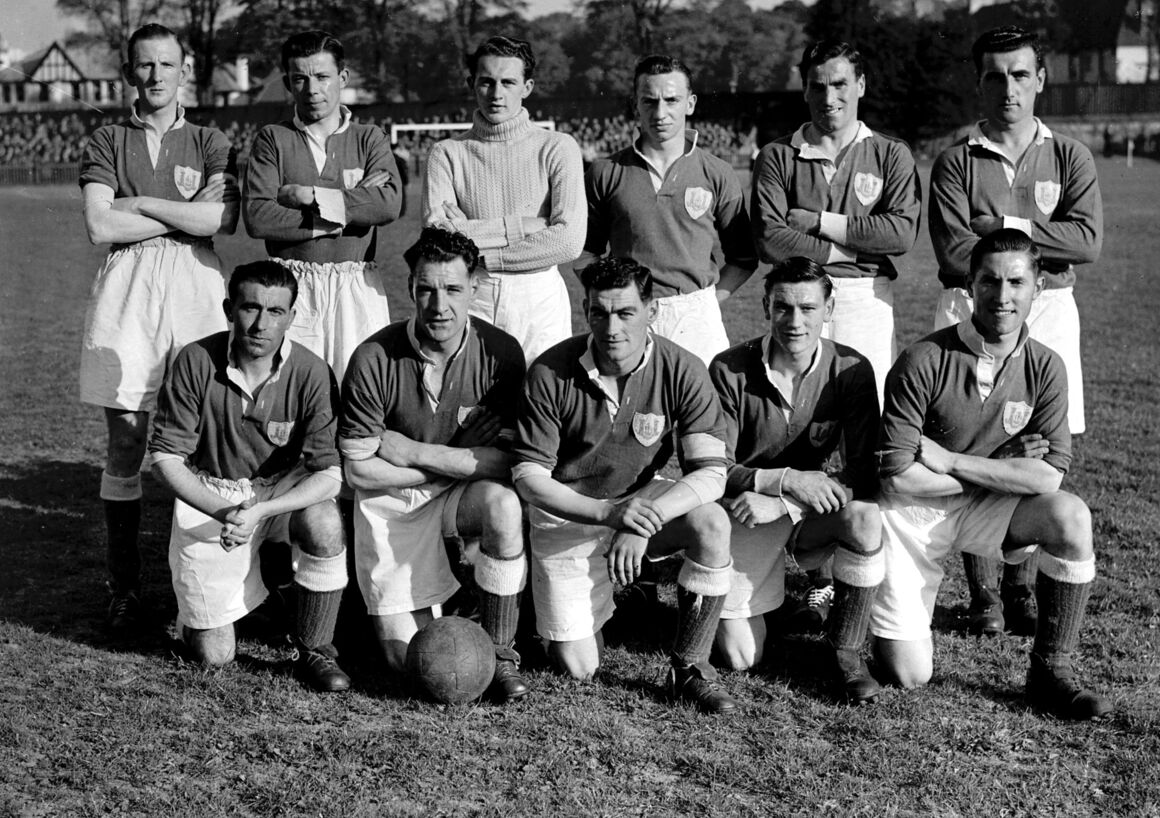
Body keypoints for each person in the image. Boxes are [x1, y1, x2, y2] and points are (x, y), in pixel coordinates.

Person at [872, 229, 1111, 721]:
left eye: (1016, 283)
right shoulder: (922, 360)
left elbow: (1047, 479)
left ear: (1037, 287)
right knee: (909, 674)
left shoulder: (1047, 366)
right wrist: (1005, 469)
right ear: (969, 285)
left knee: (1069, 517)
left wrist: (955, 461)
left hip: (979, 505)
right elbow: (897, 478)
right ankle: (858, 612)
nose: (1003, 297)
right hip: (914, 514)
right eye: (990, 282)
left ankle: (1051, 672)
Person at [928, 25, 1103, 637]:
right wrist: (1033, 240)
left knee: (1037, 446)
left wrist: (999, 222)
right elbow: (955, 254)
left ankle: (1021, 587)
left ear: (1040, 80)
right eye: (995, 76)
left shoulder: (1069, 155)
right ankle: (984, 599)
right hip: (971, 310)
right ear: (979, 83)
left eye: (1020, 74)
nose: (1008, 87)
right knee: (976, 445)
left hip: (1050, 308)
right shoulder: (957, 159)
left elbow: (1087, 241)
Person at [512, 257, 737, 714]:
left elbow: (711, 472)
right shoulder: (551, 371)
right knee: (579, 667)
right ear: (586, 310)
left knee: (711, 522)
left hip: (639, 504)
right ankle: (542, 600)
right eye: (599, 313)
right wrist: (606, 515)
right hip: (569, 514)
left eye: (626, 313)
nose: (611, 327)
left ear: (651, 310)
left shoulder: (683, 367)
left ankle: (690, 666)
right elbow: (529, 479)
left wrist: (639, 523)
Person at [749, 39, 919, 627]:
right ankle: (811, 568)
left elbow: (899, 235)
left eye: (841, 84)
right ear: (805, 89)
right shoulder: (778, 155)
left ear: (861, 86)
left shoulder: (890, 155)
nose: (830, 97)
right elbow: (771, 238)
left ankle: (862, 560)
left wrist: (818, 224)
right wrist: (854, 242)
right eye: (819, 85)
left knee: (861, 428)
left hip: (866, 301)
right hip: (798, 300)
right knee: (796, 419)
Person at [79, 22, 239, 632]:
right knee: (126, 436)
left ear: (184, 70)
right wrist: (179, 213)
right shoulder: (106, 138)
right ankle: (124, 586)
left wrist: (138, 203)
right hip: (127, 291)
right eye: (144, 66)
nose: (155, 76)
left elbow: (216, 223)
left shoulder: (210, 140)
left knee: (200, 435)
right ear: (129, 73)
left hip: (197, 287)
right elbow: (99, 227)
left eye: (166, 65)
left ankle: (197, 590)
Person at [338, 227, 531, 701]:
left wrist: (414, 451)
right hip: (390, 503)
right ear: (410, 288)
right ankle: (395, 606)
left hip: (455, 494)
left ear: (475, 289)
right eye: (426, 289)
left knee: (503, 507)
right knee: (406, 658)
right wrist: (458, 458)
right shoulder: (373, 357)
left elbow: (508, 461)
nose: (438, 304)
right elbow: (360, 471)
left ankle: (501, 652)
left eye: (452, 289)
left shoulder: (501, 354)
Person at [148, 261, 351, 692]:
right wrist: (227, 512)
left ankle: (316, 647)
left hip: (278, 492)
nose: (261, 324)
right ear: (229, 308)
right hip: (213, 494)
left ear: (292, 317)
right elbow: (166, 458)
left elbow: (330, 475)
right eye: (250, 308)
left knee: (325, 520)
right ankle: (256, 595)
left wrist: (263, 511)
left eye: (276, 312)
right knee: (215, 655)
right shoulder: (195, 360)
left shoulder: (311, 371)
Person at [709, 258, 884, 703]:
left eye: (808, 308)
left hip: (804, 511)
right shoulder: (729, 368)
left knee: (863, 518)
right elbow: (713, 469)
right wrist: (781, 480)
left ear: (829, 308)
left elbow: (863, 471)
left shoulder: (851, 369)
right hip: (746, 511)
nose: (795, 321)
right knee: (741, 656)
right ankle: (780, 601)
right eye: (783, 307)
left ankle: (844, 649)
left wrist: (789, 501)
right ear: (766, 306)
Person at [576, 54, 756, 368]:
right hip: (630, 309)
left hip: (696, 313)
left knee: (704, 410)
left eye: (672, 100)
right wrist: (613, 299)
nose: (661, 113)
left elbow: (743, 257)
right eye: (649, 101)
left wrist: (707, 302)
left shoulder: (717, 172)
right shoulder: (605, 172)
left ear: (690, 103)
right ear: (635, 104)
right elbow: (583, 253)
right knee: (631, 406)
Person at [242, 30, 402, 382]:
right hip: (293, 284)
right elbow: (258, 216)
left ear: (342, 78)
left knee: (360, 391)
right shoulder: (274, 138)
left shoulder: (368, 137)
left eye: (322, 76)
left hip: (356, 284)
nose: (312, 89)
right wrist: (345, 212)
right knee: (292, 394)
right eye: (300, 78)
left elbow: (388, 204)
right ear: (288, 82)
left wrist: (308, 197)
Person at [422, 35, 586, 364]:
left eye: (508, 82)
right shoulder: (447, 153)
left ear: (527, 87)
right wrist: (522, 227)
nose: (497, 94)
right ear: (472, 84)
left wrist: (473, 239)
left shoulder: (557, 146)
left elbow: (568, 242)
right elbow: (437, 236)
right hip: (474, 293)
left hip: (537, 294)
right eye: (487, 82)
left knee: (541, 400)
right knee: (474, 405)